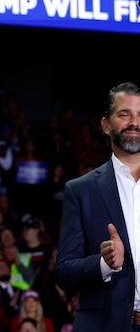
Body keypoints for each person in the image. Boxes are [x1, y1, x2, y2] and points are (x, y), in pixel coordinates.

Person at [54, 81, 140, 332]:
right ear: (106, 125)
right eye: (124, 114)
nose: (134, 122)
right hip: (105, 325)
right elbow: (64, 272)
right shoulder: (81, 190)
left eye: (139, 115)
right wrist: (104, 264)